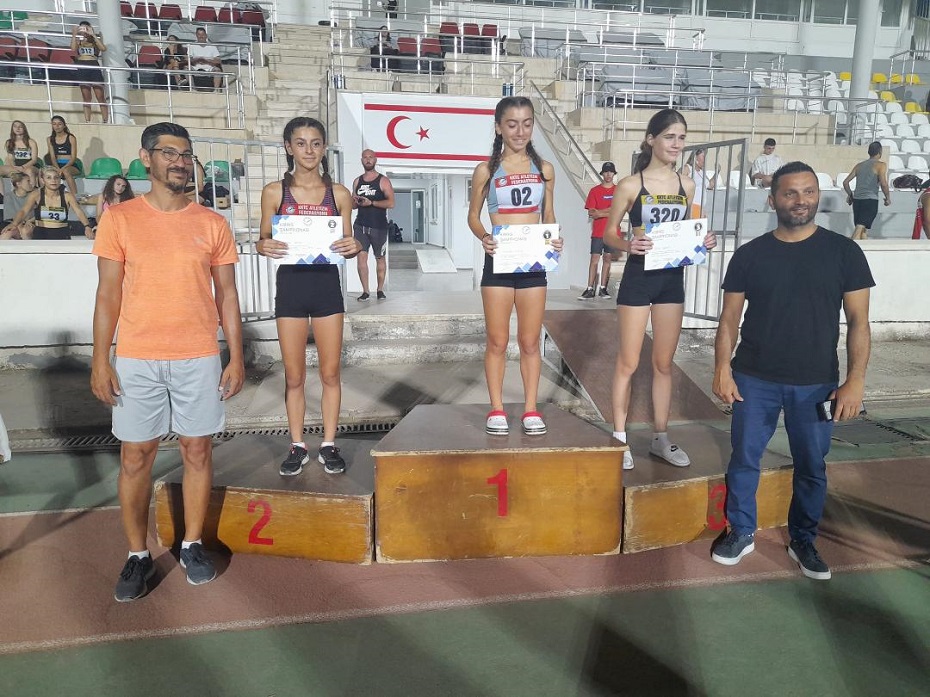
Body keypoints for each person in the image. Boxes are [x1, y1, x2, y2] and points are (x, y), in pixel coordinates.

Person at [90, 122, 244, 602]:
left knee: (198, 451)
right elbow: (107, 294)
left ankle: (192, 544)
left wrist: (236, 356)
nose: (180, 162)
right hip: (137, 358)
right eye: (169, 153)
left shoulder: (213, 224)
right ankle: (138, 554)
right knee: (136, 456)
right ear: (146, 158)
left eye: (186, 154)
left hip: (198, 356)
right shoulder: (120, 219)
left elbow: (228, 295)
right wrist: (100, 359)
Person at [711, 161, 874, 580]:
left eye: (808, 192)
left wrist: (855, 381)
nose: (801, 200)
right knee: (744, 459)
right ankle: (741, 531)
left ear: (818, 196)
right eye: (790, 193)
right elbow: (729, 320)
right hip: (753, 379)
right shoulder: (750, 255)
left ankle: (803, 538)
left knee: (811, 466)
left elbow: (859, 322)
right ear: (773, 200)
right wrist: (722, 368)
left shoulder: (844, 253)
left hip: (816, 383)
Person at [602, 108, 717, 470]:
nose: (676, 144)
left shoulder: (688, 185)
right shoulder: (630, 185)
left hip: (671, 281)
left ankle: (661, 438)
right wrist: (627, 245)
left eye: (681, 137)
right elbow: (609, 234)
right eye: (669, 137)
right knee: (628, 362)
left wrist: (704, 239)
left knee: (664, 364)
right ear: (651, 140)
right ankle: (619, 438)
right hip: (638, 279)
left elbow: (689, 230)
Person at [256, 117, 360, 476]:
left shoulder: (340, 194)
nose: (309, 150)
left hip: (326, 288)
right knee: (294, 376)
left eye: (315, 143)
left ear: (324, 147)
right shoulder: (274, 192)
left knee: (330, 373)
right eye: (301, 143)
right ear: (289, 147)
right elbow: (263, 238)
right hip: (291, 289)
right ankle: (298, 445)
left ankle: (329, 443)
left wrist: (354, 246)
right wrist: (263, 245)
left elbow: (347, 243)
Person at [467, 96, 564, 436]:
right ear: (498, 127)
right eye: (512, 124)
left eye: (526, 123)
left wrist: (555, 237)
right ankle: (496, 408)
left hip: (534, 263)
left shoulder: (545, 169)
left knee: (529, 341)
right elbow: (473, 216)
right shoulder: (486, 170)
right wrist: (484, 236)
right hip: (499, 261)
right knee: (496, 340)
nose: (520, 131)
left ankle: (530, 409)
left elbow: (548, 215)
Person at [352, 149, 395, 301]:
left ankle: (380, 290)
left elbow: (391, 203)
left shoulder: (383, 181)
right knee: (361, 259)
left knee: (380, 258)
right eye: (365, 157)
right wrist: (355, 201)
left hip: (379, 227)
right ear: (361, 160)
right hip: (360, 226)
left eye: (370, 157)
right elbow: (353, 205)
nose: (368, 160)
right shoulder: (357, 181)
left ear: (375, 160)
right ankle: (365, 291)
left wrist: (372, 203)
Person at [4, 167, 93, 240]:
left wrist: (87, 226)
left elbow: (79, 212)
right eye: (49, 178)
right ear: (43, 180)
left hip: (62, 233)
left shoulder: (68, 196)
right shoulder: (36, 195)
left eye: (56, 177)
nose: (53, 180)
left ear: (60, 179)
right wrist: (14, 224)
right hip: (41, 233)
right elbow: (24, 211)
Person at [579, 161, 618, 300]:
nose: (608, 174)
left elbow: (618, 210)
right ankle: (590, 288)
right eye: (606, 172)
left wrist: (600, 212)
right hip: (598, 231)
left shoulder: (618, 191)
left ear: (614, 173)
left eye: (611, 172)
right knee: (594, 258)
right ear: (602, 174)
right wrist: (609, 211)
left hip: (612, 232)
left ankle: (603, 288)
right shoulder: (595, 191)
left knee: (607, 258)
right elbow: (591, 212)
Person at [843, 141, 891, 240]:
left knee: (863, 230)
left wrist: (851, 195)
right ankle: (849, 248)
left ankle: (864, 249)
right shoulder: (881, 165)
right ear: (880, 152)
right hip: (870, 200)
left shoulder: (859, 166)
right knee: (859, 228)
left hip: (857, 201)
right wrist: (887, 197)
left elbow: (845, 182)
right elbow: (883, 183)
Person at [71, 21, 109, 124]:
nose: (84, 31)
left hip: (93, 66)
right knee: (86, 96)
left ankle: (105, 120)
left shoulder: (94, 40)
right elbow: (73, 49)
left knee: (100, 95)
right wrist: (74, 35)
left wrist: (93, 35)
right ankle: (87, 120)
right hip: (82, 66)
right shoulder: (78, 40)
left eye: (86, 28)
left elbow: (103, 48)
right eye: (82, 29)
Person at [46, 115, 80, 195]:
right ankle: (47, 195)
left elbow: (73, 157)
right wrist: (57, 168)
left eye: (59, 124)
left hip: (70, 165)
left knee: (65, 171)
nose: (57, 126)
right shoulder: (50, 139)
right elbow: (53, 157)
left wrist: (62, 169)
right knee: (45, 172)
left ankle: (75, 195)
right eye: (54, 124)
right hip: (57, 165)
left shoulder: (71, 138)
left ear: (64, 125)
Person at [683, 147, 720, 218]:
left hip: (700, 208)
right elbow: (677, 182)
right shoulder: (687, 168)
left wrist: (717, 172)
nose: (705, 159)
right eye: (703, 156)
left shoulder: (702, 172)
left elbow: (710, 185)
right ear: (695, 157)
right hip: (690, 207)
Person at [1, 120, 40, 184]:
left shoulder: (31, 142)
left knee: (29, 171)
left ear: (24, 129)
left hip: (29, 166)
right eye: (15, 126)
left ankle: (33, 188)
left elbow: (34, 160)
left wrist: (23, 167)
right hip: (16, 166)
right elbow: (10, 158)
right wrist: (14, 167)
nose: (17, 128)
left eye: (20, 127)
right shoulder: (9, 142)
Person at [0, 171, 36, 239]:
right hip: (16, 224)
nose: (31, 183)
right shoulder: (9, 196)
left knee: (25, 231)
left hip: (32, 222)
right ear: (18, 184)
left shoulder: (34, 194)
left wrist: (29, 221)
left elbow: (38, 213)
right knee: (6, 234)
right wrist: (20, 227)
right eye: (28, 181)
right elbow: (13, 217)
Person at [188, 27, 223, 91]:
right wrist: (197, 60)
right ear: (196, 35)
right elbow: (188, 59)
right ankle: (192, 89)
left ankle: (216, 91)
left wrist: (207, 61)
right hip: (195, 68)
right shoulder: (191, 45)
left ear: (206, 35)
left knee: (218, 70)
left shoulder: (212, 46)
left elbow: (218, 61)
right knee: (186, 68)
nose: (201, 36)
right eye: (199, 34)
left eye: (203, 34)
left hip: (209, 68)